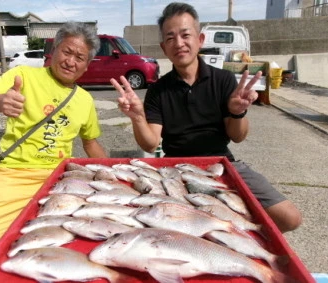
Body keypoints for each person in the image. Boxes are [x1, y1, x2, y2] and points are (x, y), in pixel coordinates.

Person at [111, 2, 302, 233]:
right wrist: (138, 117)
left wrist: (237, 111)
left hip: (222, 163)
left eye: (185, 35)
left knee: (289, 218)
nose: (179, 43)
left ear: (200, 40)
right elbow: (151, 143)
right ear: (163, 47)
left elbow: (237, 136)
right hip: (175, 169)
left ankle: (241, 232)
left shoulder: (223, 80)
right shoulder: (158, 90)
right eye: (170, 38)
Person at [0, 21, 107, 269]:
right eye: (67, 52)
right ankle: (7, 271)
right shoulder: (23, 76)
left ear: (87, 65)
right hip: (12, 177)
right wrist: (0, 101)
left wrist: (111, 175)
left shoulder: (85, 100)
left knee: (74, 249)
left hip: (59, 183)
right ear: (53, 50)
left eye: (80, 57)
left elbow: (91, 143)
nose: (71, 61)